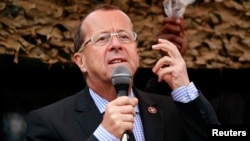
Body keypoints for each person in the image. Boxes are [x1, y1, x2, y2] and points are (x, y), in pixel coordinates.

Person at [26, 4, 219, 141]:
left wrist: (184, 89)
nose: (116, 44)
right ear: (81, 61)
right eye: (102, 39)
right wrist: (105, 135)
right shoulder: (49, 122)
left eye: (124, 36)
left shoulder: (173, 110)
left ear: (137, 53)